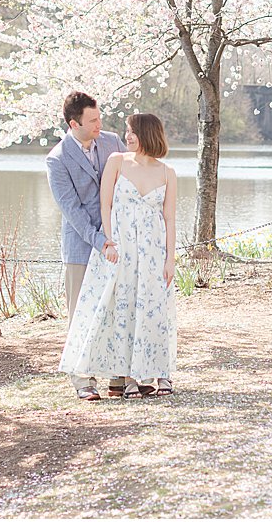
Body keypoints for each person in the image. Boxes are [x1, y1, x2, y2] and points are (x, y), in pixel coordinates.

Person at [58, 112, 177, 400]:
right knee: (118, 309)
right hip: (120, 248)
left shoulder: (167, 172)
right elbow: (105, 204)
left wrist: (169, 259)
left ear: (147, 134)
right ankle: (117, 376)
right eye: (127, 131)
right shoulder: (117, 162)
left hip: (151, 251)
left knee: (149, 308)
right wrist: (108, 242)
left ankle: (150, 371)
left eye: (133, 131)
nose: (127, 136)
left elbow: (170, 219)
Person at [47, 91, 128, 398]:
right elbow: (73, 212)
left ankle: (119, 376)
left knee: (117, 308)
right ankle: (83, 380)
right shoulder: (57, 159)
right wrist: (101, 242)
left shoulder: (113, 143)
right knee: (80, 313)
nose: (99, 124)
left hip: (117, 243)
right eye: (92, 120)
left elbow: (128, 184)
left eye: (99, 118)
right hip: (82, 246)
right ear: (73, 123)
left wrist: (118, 238)